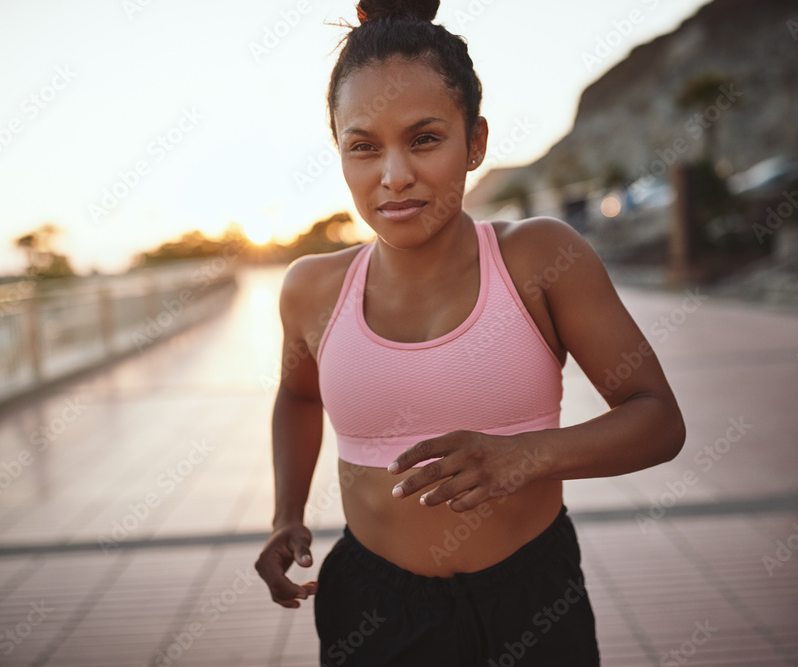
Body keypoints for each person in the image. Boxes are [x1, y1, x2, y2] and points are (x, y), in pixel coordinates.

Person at [255, 1, 686, 664]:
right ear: (340, 152)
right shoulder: (311, 288)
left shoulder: (541, 258)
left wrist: (528, 455)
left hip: (532, 598)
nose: (393, 175)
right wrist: (287, 512)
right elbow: (299, 396)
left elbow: (658, 419)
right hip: (372, 609)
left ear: (475, 141)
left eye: (424, 138)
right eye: (363, 145)